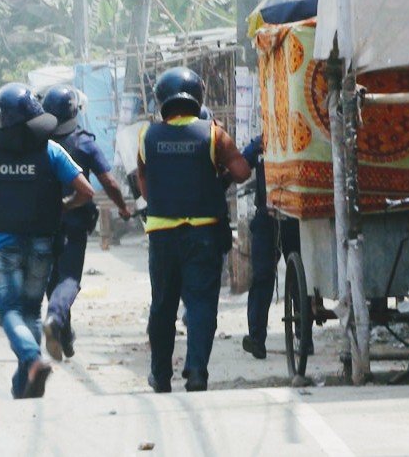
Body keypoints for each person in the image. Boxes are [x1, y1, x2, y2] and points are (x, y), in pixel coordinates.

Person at [0, 83, 95, 399]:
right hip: (42, 243)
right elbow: (86, 191)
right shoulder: (52, 151)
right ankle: (24, 382)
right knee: (31, 310)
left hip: (3, 245)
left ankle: (31, 358)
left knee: (11, 311)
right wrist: (62, 205)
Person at [138, 67, 251, 393]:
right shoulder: (214, 133)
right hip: (203, 233)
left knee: (163, 305)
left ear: (163, 100)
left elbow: (145, 185)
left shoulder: (147, 136)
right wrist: (217, 176)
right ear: (197, 97)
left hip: (161, 235)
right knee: (201, 304)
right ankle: (197, 371)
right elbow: (242, 172)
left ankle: (160, 376)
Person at [39, 85, 131, 361]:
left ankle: (64, 336)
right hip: (73, 223)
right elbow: (109, 182)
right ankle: (55, 319)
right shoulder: (83, 142)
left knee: (52, 281)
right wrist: (123, 208)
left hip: (41, 223)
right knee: (68, 280)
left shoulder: (37, 143)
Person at [241, 134, 302, 359]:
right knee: (262, 276)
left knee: (299, 277)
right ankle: (256, 338)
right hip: (266, 219)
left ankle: (304, 334)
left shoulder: (298, 137)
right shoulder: (260, 143)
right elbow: (241, 166)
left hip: (294, 217)